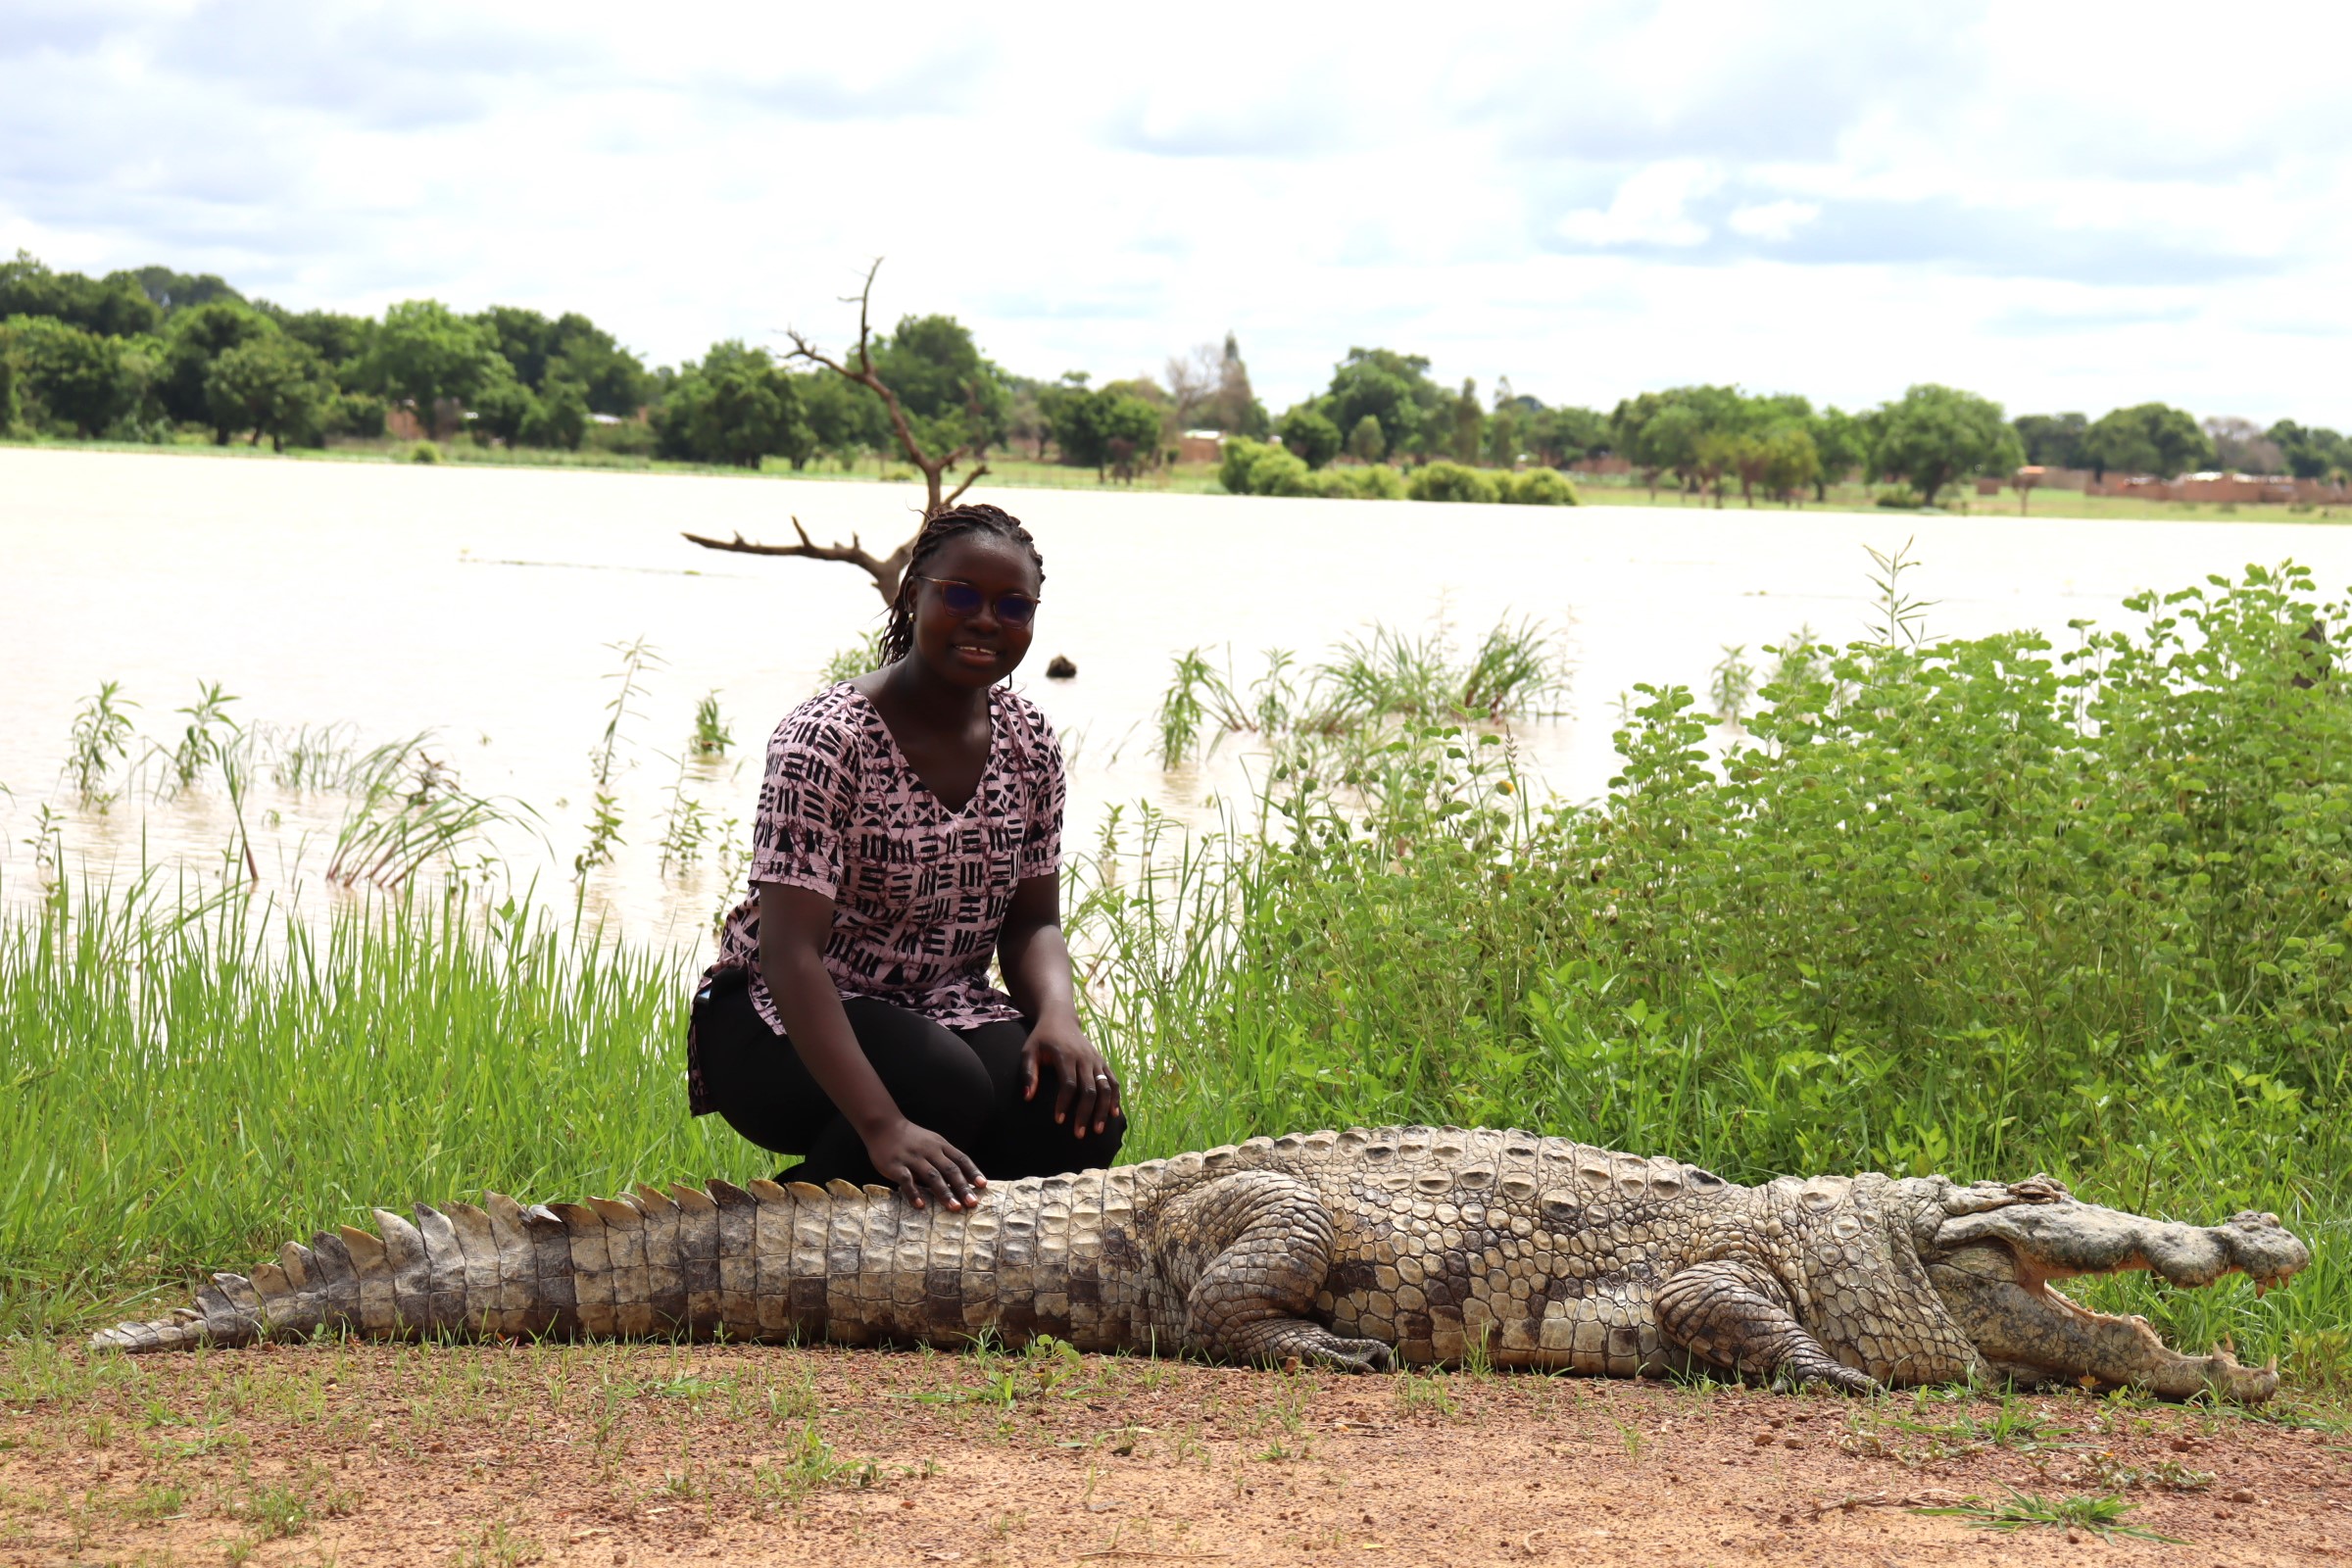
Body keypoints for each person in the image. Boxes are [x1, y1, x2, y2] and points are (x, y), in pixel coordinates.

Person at [688, 502, 1122, 1212]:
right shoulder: (827, 738)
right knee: (945, 1087)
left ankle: (928, 1258)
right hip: (772, 1021)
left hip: (940, 1008)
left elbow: (1031, 924)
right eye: (961, 595)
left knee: (1077, 1117)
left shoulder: (1029, 742)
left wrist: (1058, 1017)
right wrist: (883, 1127)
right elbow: (788, 952)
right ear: (912, 593)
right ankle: (767, 1233)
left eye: (1014, 605)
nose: (986, 619)